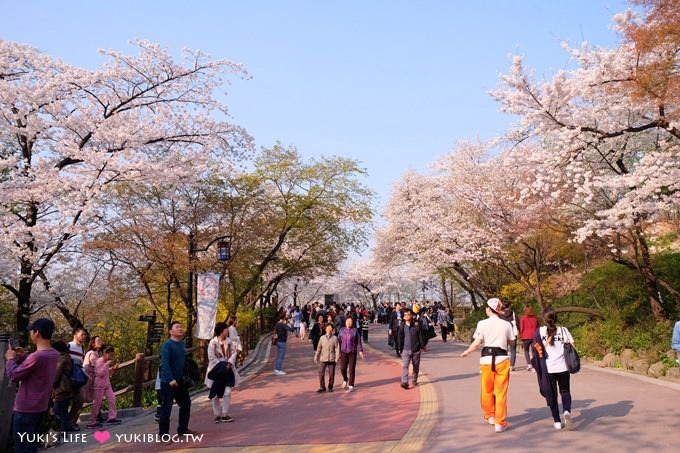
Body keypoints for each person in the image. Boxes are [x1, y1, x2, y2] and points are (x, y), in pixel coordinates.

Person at [5, 318, 59, 453]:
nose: (30, 334)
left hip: (26, 409)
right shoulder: (53, 353)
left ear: (37, 333)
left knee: (23, 449)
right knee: (31, 446)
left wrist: (10, 359)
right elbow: (36, 370)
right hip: (40, 407)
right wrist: (24, 357)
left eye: (31, 331)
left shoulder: (37, 357)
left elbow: (14, 375)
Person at [461, 298, 515, 433]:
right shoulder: (506, 324)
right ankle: (499, 422)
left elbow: (477, 342)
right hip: (502, 358)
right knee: (501, 392)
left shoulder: (482, 324)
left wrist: (467, 351)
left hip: (486, 359)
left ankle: (489, 415)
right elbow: (512, 341)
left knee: (487, 390)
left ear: (488, 309)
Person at [531, 307, 575, 430]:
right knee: (565, 391)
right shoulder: (564, 330)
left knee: (552, 394)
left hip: (548, 369)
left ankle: (556, 420)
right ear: (555, 318)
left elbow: (535, 349)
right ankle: (566, 411)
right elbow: (572, 346)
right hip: (563, 367)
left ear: (543, 319)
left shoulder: (539, 332)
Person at [159, 321, 196, 443]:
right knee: (166, 409)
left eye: (181, 326)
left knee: (186, 404)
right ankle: (164, 435)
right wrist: (170, 379)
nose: (180, 329)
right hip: (168, 382)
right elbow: (165, 363)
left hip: (180, 381)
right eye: (177, 327)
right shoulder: (167, 345)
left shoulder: (181, 344)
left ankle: (183, 429)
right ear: (170, 331)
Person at [206, 322, 239, 424]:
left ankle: (225, 413)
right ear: (221, 331)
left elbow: (234, 353)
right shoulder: (213, 343)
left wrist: (228, 363)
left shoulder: (230, 342)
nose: (227, 330)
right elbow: (211, 356)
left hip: (228, 370)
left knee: (227, 392)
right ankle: (217, 414)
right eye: (225, 329)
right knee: (215, 394)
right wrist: (222, 365)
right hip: (216, 370)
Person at [88, 345, 121, 428]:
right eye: (110, 355)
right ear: (105, 353)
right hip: (99, 385)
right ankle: (91, 422)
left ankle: (112, 418)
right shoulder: (99, 361)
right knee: (97, 404)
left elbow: (107, 373)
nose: (111, 357)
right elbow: (99, 373)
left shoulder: (106, 362)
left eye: (112, 355)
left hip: (107, 384)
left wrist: (113, 368)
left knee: (112, 399)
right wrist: (106, 365)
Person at [395, 308, 426, 389]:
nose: (407, 316)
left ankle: (414, 380)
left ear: (411, 315)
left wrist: (422, 346)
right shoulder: (402, 326)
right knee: (405, 366)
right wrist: (399, 348)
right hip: (405, 350)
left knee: (416, 367)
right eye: (405, 315)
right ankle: (404, 382)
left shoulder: (416, 324)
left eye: (408, 314)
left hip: (416, 350)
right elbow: (399, 337)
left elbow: (421, 336)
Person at [51, 341, 77, 432]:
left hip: (61, 388)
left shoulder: (61, 359)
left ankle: (62, 429)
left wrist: (52, 383)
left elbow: (56, 375)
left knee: (57, 409)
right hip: (68, 387)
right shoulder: (68, 357)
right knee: (64, 409)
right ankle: (67, 427)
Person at [67, 326, 88, 428]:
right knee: (65, 400)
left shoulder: (82, 348)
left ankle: (72, 421)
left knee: (80, 399)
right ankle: (64, 423)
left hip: (78, 378)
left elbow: (82, 364)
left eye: (85, 334)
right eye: (82, 334)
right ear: (75, 335)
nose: (84, 336)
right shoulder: (69, 346)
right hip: (68, 377)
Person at [338, 317, 364, 392]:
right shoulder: (342, 330)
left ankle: (351, 385)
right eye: (348, 321)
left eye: (351, 321)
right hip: (343, 352)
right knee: (342, 368)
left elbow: (358, 342)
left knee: (351, 369)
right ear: (345, 322)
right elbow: (339, 341)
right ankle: (345, 379)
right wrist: (338, 351)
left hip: (352, 352)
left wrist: (360, 351)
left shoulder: (355, 331)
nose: (349, 323)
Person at [82, 335, 103, 421]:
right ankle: (95, 416)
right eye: (98, 341)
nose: (101, 342)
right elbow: (97, 365)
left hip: (93, 379)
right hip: (89, 380)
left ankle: (97, 415)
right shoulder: (92, 353)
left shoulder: (97, 353)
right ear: (93, 344)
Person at [314, 323, 340, 392]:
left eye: (330, 328)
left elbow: (337, 349)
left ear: (332, 330)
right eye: (327, 328)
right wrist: (316, 356)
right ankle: (322, 387)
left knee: (331, 374)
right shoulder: (322, 338)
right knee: (321, 372)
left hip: (332, 359)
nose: (329, 329)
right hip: (323, 358)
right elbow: (319, 348)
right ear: (325, 329)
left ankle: (330, 387)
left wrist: (337, 358)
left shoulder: (335, 338)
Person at [499, 301, 518, 371]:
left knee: (504, 350)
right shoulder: (513, 313)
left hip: (503, 334)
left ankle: (504, 365)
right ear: (509, 306)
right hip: (512, 333)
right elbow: (517, 322)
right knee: (513, 350)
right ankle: (512, 366)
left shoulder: (500, 314)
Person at [519, 307, 539, 372]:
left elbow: (521, 328)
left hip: (525, 336)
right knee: (533, 351)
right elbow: (537, 327)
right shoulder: (535, 318)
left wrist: (521, 336)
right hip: (534, 336)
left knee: (526, 350)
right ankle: (534, 365)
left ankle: (529, 364)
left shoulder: (523, 318)